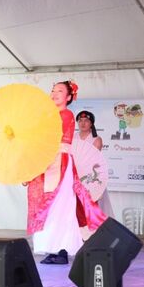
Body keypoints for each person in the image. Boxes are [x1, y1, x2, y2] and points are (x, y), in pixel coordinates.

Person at [27, 81, 107, 263]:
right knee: (48, 206)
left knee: (60, 206)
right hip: (49, 161)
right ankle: (54, 248)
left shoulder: (66, 114)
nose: (54, 93)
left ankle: (61, 249)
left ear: (69, 97)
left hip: (59, 162)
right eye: (53, 90)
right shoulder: (49, 116)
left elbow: (53, 139)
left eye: (60, 91)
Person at [75, 110, 115, 219]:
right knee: (76, 206)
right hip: (76, 177)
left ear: (91, 123)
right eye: (80, 121)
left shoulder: (96, 139)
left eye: (86, 121)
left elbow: (92, 159)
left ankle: (94, 231)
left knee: (91, 205)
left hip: (90, 177)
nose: (83, 123)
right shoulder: (73, 138)